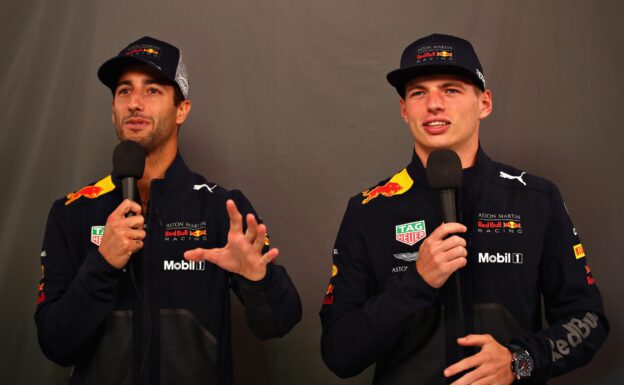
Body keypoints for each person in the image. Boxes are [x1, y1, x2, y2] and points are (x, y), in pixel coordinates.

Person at [320, 33, 608, 384]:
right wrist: (416, 282)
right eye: (418, 92)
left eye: (451, 89)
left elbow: (588, 320)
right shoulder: (368, 211)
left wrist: (521, 360)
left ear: (484, 103)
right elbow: (338, 352)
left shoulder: (535, 198)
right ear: (403, 109)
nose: (434, 104)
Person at [35, 36, 301, 385]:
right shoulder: (72, 212)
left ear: (182, 110)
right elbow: (55, 343)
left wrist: (258, 281)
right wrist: (102, 265)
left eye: (153, 91)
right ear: (113, 108)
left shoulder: (221, 209)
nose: (134, 104)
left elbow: (280, 323)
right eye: (124, 91)